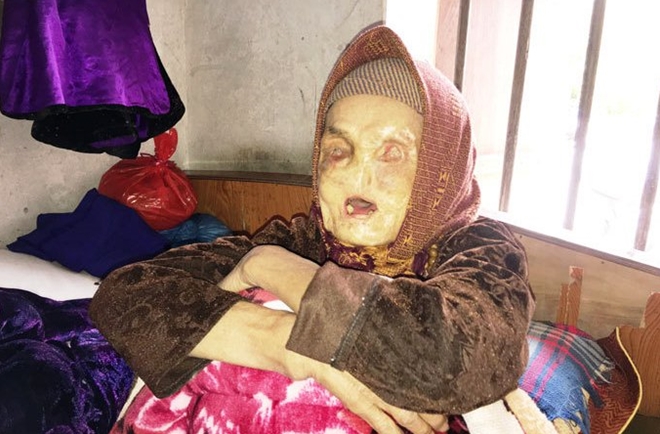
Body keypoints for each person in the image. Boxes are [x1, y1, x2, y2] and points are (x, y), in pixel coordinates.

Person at [89, 25, 535, 434]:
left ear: (442, 167)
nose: (357, 174)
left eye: (392, 153)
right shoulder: (304, 239)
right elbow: (123, 299)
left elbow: (452, 360)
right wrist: (292, 346)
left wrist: (272, 268)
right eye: (338, 150)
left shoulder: (480, 248)